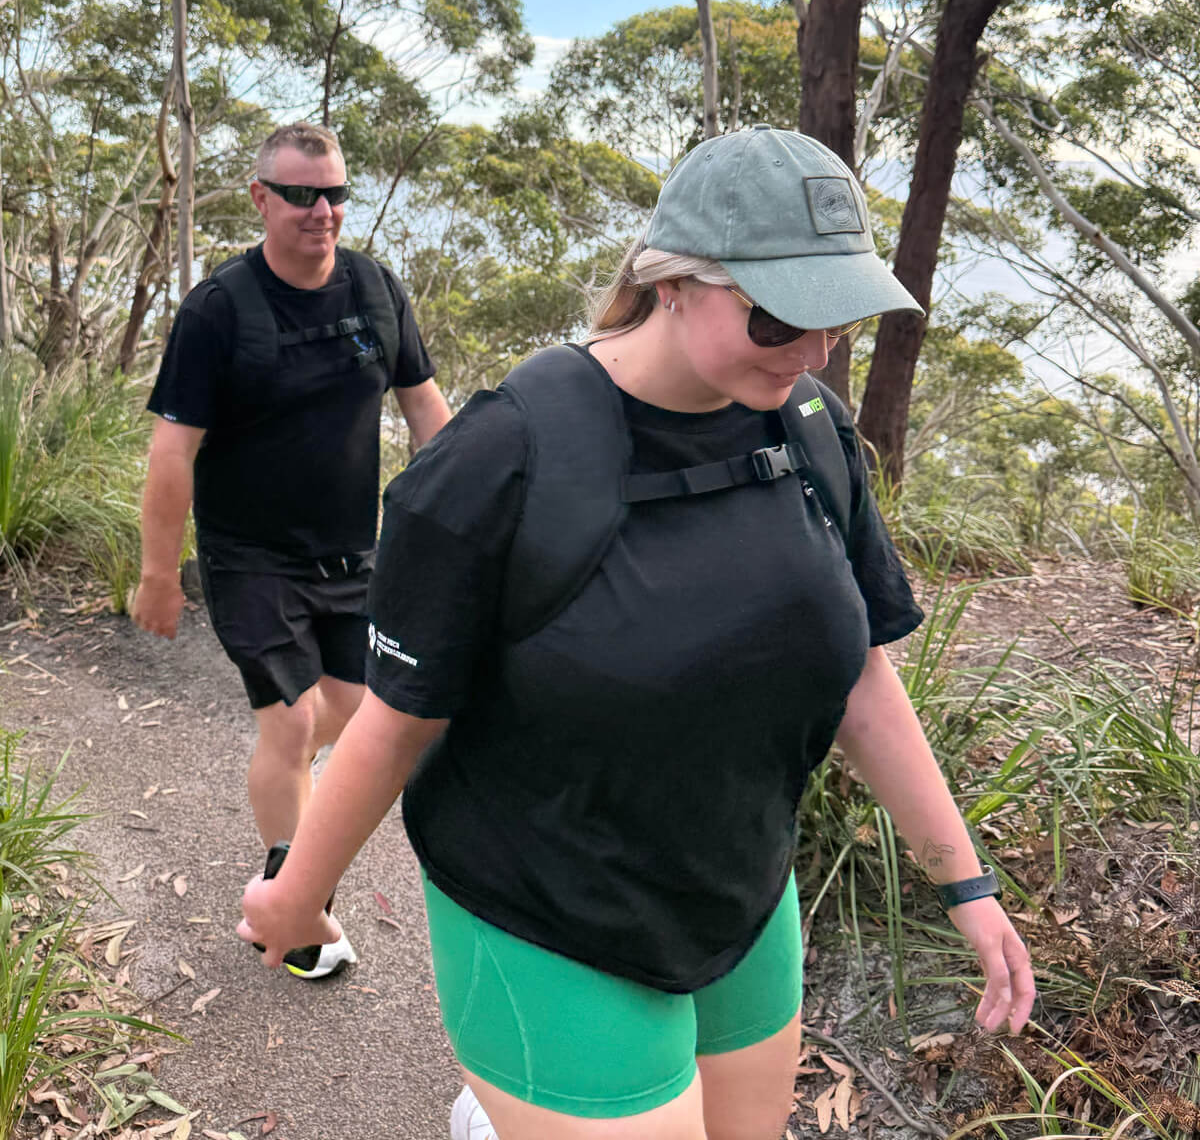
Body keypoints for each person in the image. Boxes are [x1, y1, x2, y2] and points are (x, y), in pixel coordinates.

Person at [238, 125, 1035, 1137]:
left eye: (840, 317)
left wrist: (965, 883)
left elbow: (861, 680)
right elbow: (396, 720)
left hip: (737, 894)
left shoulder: (811, 435)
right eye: (783, 315)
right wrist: (296, 896)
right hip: (546, 908)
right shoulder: (504, 456)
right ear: (673, 281)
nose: (816, 352)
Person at [134, 121, 451, 979]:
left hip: (355, 554)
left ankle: (293, 789)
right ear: (261, 198)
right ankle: (292, 897)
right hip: (249, 556)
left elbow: (426, 409)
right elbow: (173, 451)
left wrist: (466, 525)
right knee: (292, 719)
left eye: (336, 193)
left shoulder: (376, 290)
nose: (323, 212)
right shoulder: (219, 310)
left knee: (348, 711)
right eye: (303, 195)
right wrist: (158, 575)